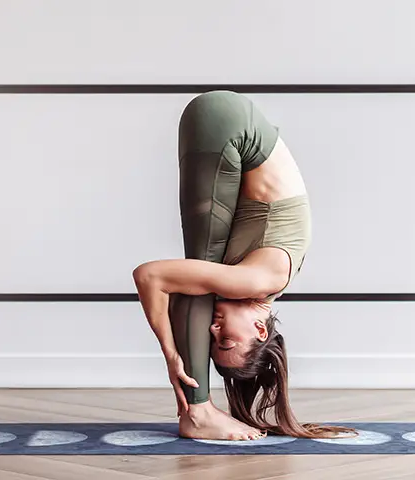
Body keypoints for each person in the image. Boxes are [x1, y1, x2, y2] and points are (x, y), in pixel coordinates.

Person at [133, 90, 357, 441]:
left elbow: (172, 285)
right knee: (198, 273)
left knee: (197, 282)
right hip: (229, 126)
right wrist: (171, 356)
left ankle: (200, 408)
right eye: (226, 343)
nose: (214, 332)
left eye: (213, 344)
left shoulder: (267, 282)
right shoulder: (253, 282)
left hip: (230, 121)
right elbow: (150, 276)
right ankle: (198, 410)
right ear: (260, 329)